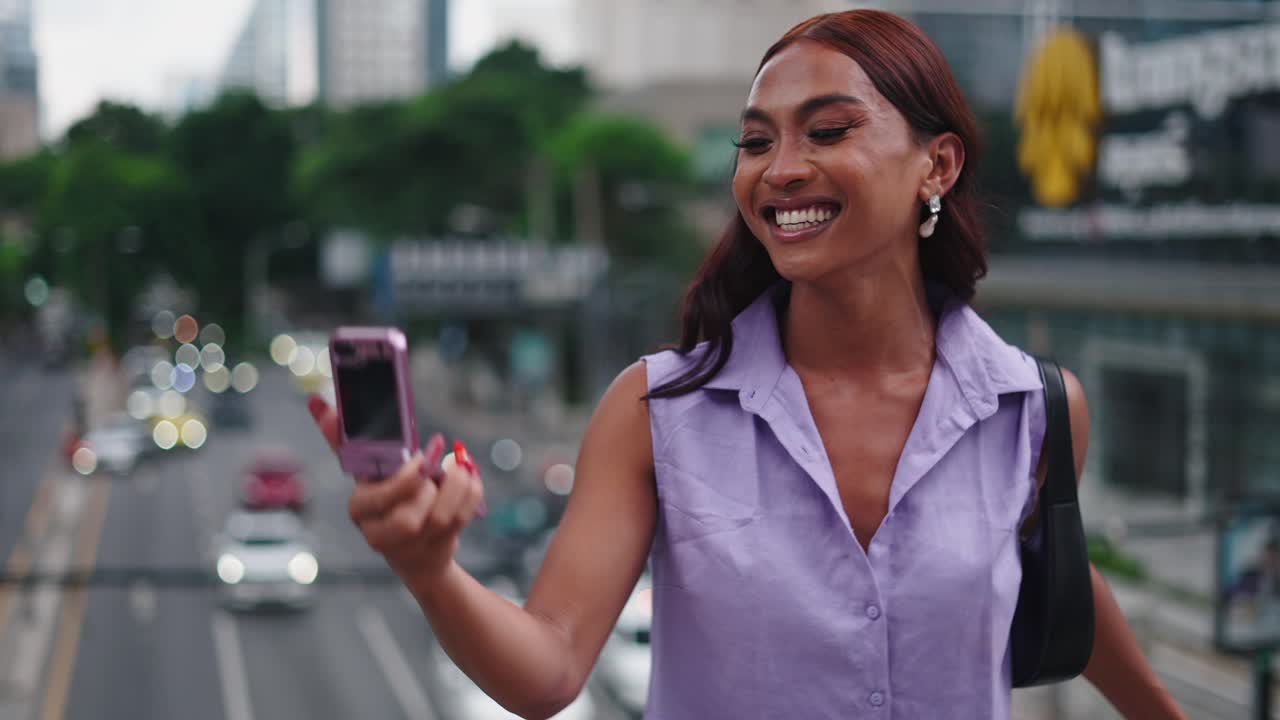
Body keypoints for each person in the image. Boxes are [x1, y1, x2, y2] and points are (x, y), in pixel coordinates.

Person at [309, 10, 1186, 719]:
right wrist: (430, 571)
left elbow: (1055, 575)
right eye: (757, 143)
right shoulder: (654, 410)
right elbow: (547, 672)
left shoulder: (1034, 407)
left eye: (828, 130)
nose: (782, 171)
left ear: (938, 164)